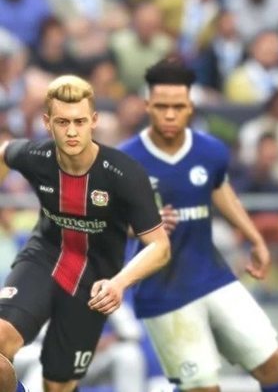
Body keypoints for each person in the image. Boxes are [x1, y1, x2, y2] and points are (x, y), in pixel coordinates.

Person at [118, 59, 278, 392]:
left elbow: (220, 190)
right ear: (148, 106)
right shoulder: (126, 160)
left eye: (177, 107)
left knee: (274, 366)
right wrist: (144, 226)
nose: (169, 115)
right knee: (203, 388)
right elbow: (109, 222)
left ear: (190, 107)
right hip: (164, 292)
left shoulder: (210, 151)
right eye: (161, 107)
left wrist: (255, 238)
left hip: (214, 277)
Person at [0, 75, 170, 392]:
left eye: (79, 121)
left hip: (93, 282)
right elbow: (4, 151)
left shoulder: (124, 173)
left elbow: (160, 247)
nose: (72, 131)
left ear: (94, 121)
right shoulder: (36, 156)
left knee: (57, 386)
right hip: (42, 259)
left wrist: (120, 283)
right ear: (47, 123)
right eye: (62, 122)